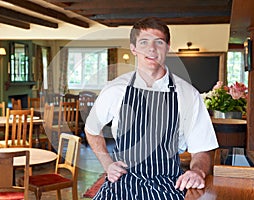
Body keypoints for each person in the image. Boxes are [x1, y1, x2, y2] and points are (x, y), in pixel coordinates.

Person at [85, 17, 218, 199]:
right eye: (144, 42)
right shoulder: (115, 89)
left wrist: (197, 172)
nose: (152, 49)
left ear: (167, 46)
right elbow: (92, 130)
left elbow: (203, 148)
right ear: (134, 49)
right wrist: (107, 164)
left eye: (159, 42)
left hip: (168, 184)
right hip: (123, 184)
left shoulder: (188, 94)